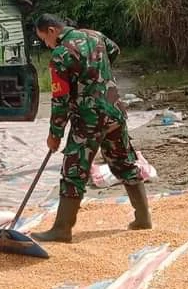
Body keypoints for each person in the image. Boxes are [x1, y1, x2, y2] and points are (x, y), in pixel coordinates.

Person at [31, 14, 152, 242]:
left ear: (51, 30)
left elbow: (60, 100)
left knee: (73, 171)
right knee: (124, 162)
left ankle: (62, 229)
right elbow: (114, 50)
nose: (47, 45)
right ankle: (143, 218)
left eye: (44, 39)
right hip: (114, 111)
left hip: (88, 119)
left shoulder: (60, 55)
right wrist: (98, 72)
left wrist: (54, 135)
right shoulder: (95, 36)